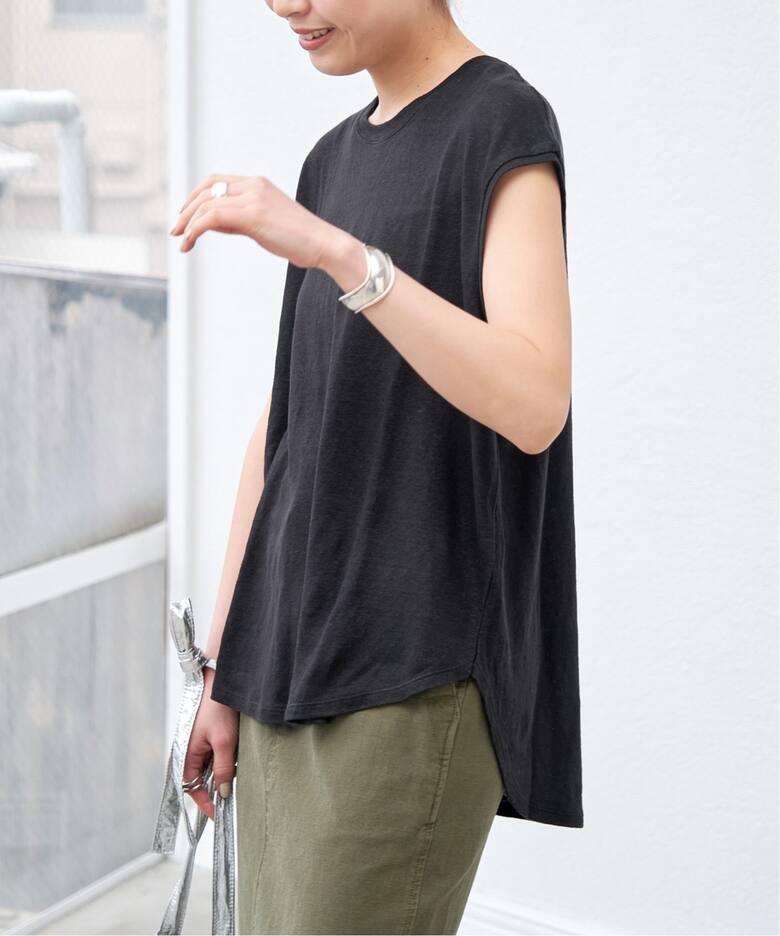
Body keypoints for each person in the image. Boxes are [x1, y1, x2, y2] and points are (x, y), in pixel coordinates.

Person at [168, 0, 583, 932]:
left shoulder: (501, 122)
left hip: (408, 670)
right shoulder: (332, 160)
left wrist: (336, 251)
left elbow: (535, 403)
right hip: (286, 665)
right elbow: (287, 427)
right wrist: (223, 670)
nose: (286, 5)